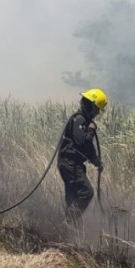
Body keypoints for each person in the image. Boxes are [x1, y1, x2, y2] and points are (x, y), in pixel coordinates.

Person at [57, 88, 107, 226]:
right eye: (97, 110)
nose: (97, 113)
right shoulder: (79, 119)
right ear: (91, 106)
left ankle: (68, 229)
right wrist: (91, 130)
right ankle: (68, 222)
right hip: (69, 163)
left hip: (72, 163)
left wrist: (96, 161)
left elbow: (87, 148)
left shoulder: (83, 120)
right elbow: (81, 141)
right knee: (86, 192)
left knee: (73, 197)